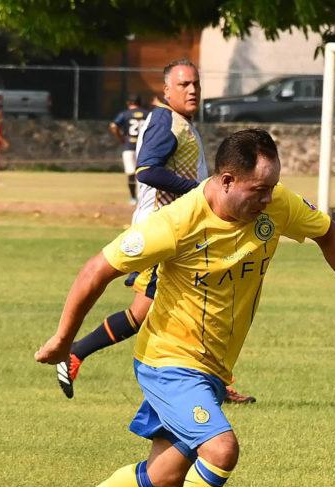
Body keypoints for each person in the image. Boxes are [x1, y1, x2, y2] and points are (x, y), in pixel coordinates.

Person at [33, 128, 335, 487]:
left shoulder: (275, 204)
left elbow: (328, 234)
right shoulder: (176, 223)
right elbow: (97, 269)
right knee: (220, 449)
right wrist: (64, 339)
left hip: (212, 369)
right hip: (168, 360)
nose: (268, 199)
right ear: (225, 180)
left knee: (165, 476)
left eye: (272, 187)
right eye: (258, 189)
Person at [56, 60, 256, 404]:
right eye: (183, 84)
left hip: (184, 234)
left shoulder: (181, 122)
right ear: (166, 91)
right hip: (164, 234)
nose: (192, 90)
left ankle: (77, 353)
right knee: (162, 310)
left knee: (172, 308)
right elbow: (147, 170)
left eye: (195, 84)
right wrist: (198, 191)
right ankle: (76, 352)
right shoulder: (165, 120)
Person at [110, 95, 148, 204]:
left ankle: (133, 198)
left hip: (129, 146)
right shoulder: (147, 114)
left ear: (128, 103)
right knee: (143, 172)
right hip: (144, 147)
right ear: (140, 102)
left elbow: (113, 126)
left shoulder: (125, 114)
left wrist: (120, 138)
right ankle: (143, 198)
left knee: (131, 172)